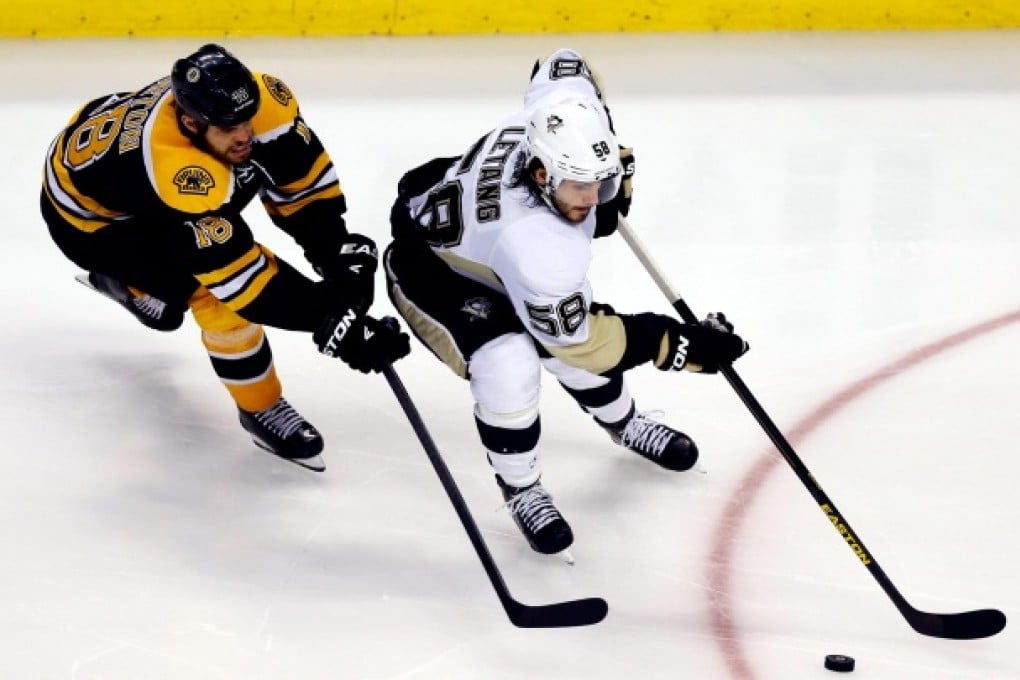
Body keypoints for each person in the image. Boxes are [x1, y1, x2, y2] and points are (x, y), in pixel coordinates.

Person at [383, 48, 749, 557]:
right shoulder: (540, 251)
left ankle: (624, 422)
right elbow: (584, 345)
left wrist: (604, 145)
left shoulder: (558, 112)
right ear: (540, 175)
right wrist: (677, 343)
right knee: (511, 364)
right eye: (580, 187)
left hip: (475, 239)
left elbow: (563, 64)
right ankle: (522, 487)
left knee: (559, 337)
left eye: (602, 183)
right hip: (436, 274)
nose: (595, 197)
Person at [41, 43, 409, 472]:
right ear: (190, 123)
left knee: (203, 245)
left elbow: (301, 183)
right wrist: (328, 318)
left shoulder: (259, 100)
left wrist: (334, 257)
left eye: (247, 119)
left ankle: (149, 291)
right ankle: (260, 407)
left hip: (107, 149)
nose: (245, 134)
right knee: (208, 295)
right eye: (227, 126)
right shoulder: (178, 173)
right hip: (93, 222)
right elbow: (242, 280)